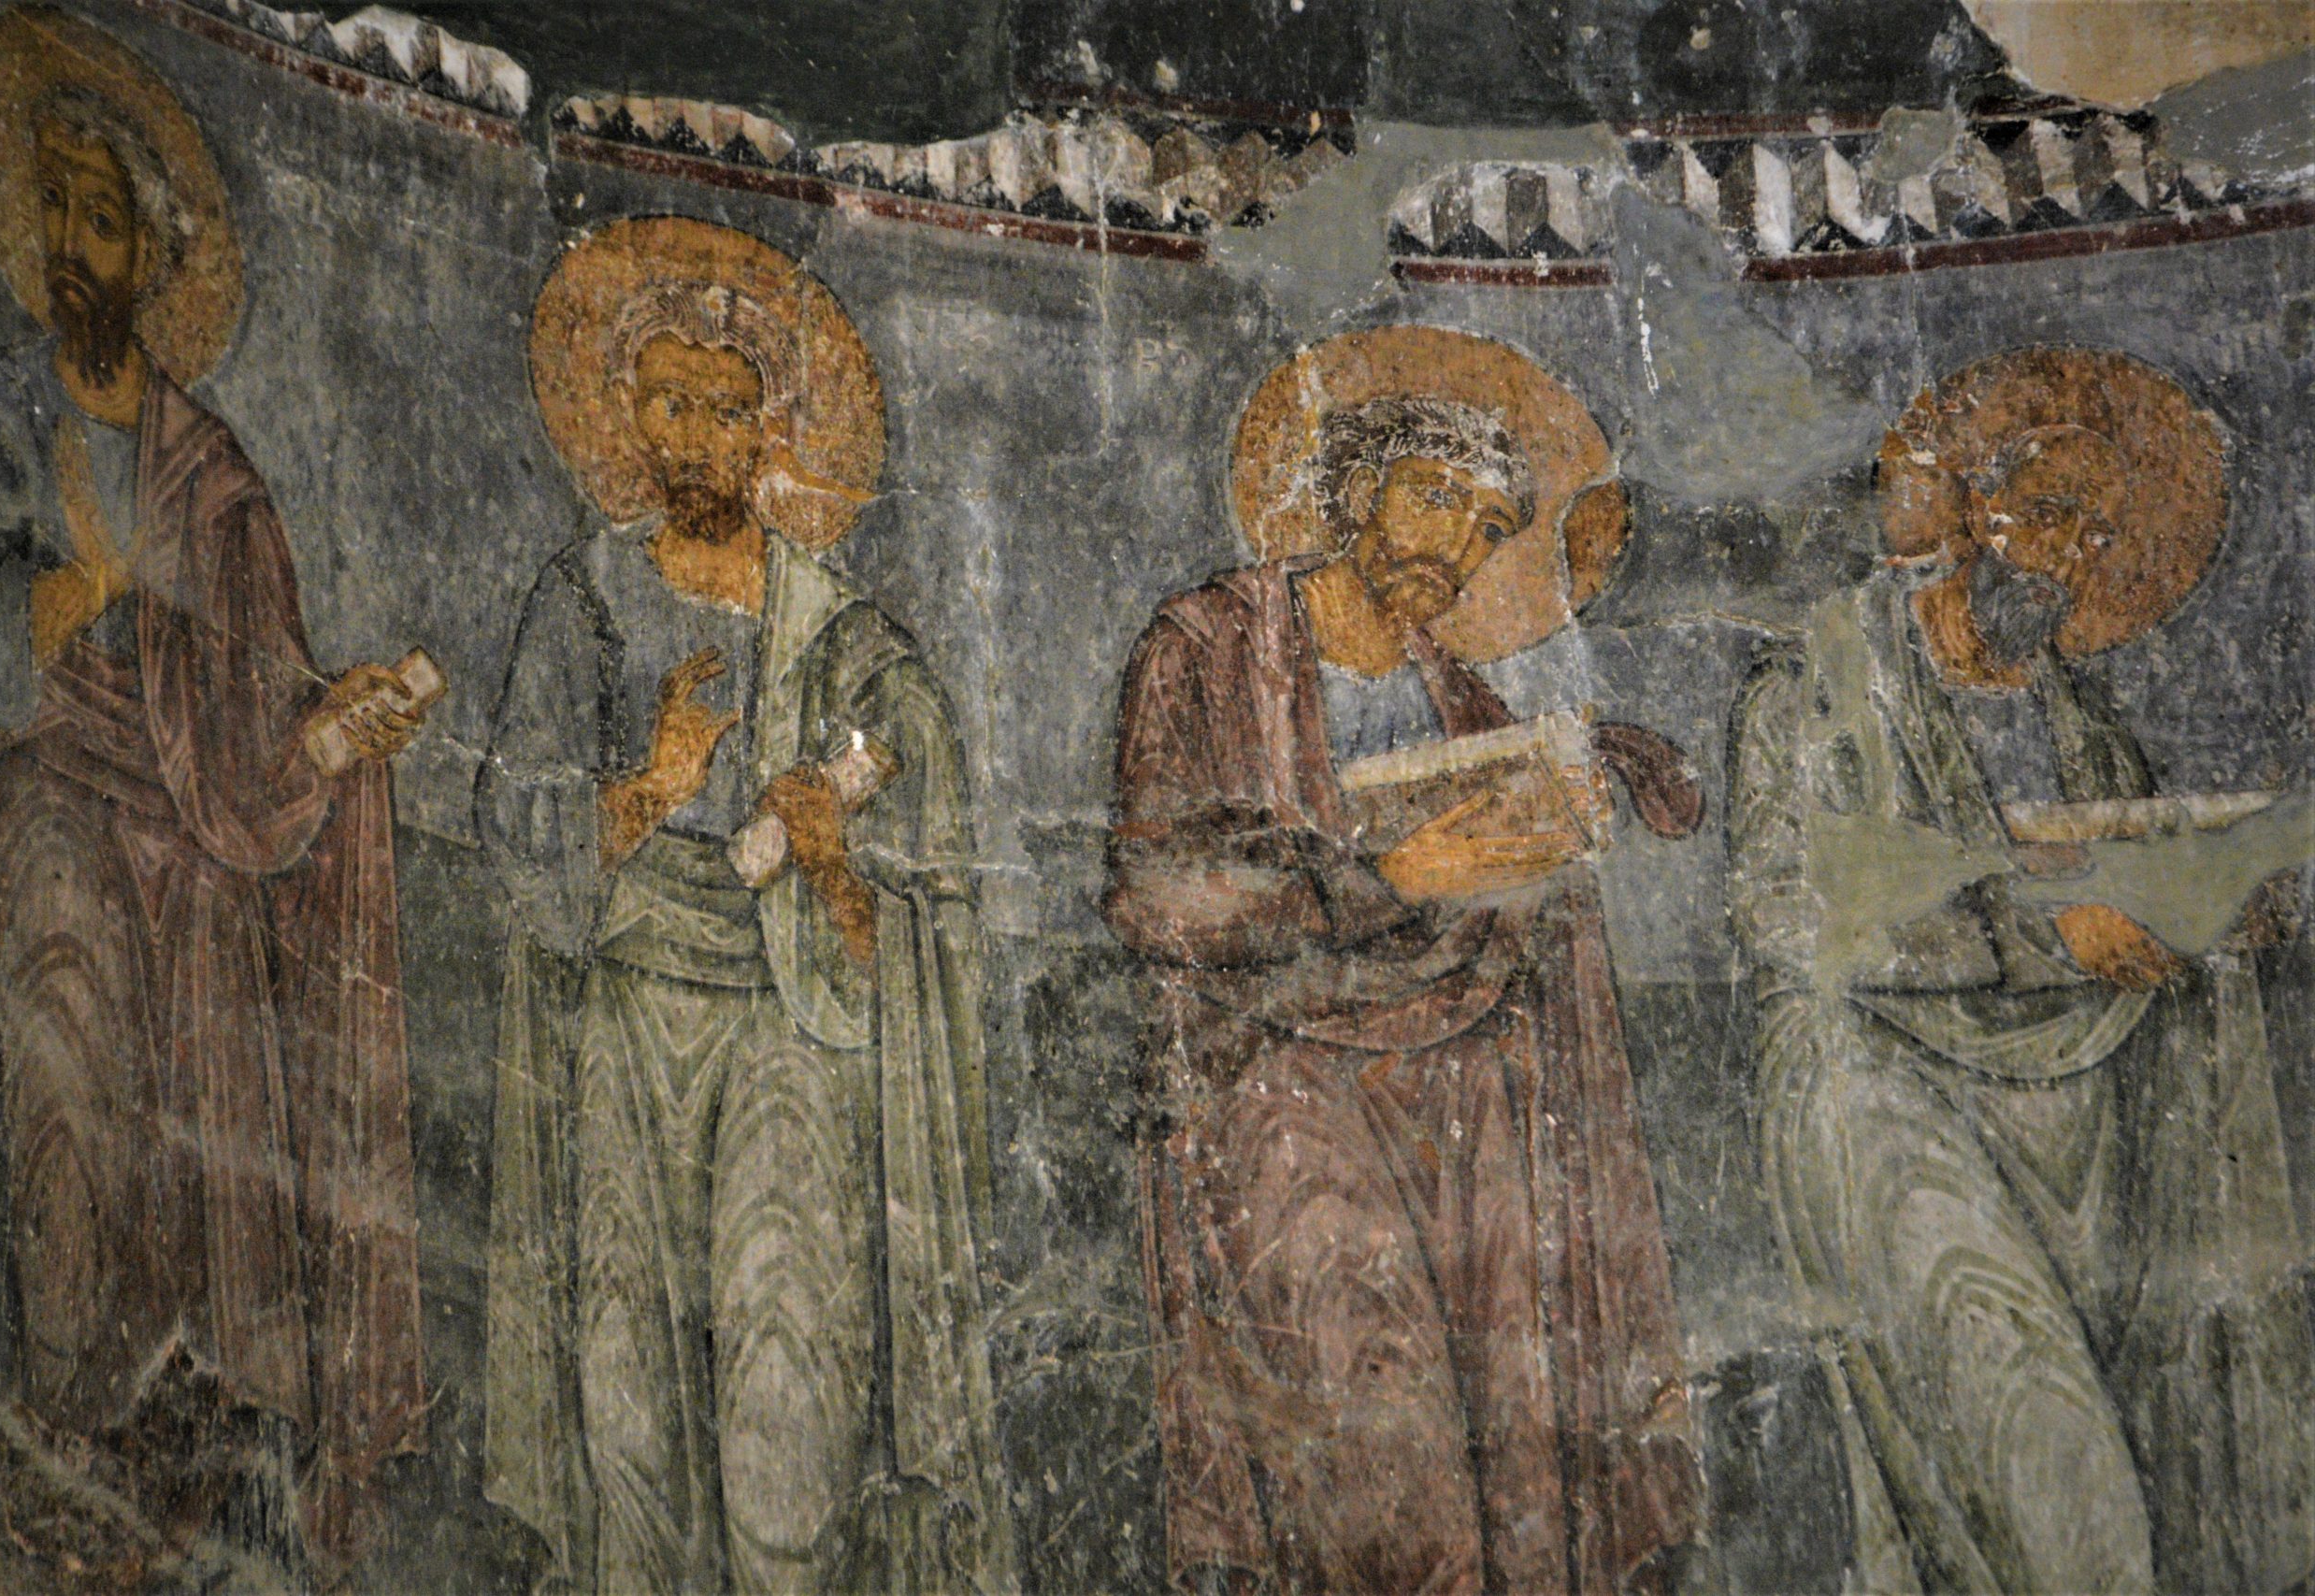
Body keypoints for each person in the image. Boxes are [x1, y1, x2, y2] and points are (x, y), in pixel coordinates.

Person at [0, 12, 428, 1569]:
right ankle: (72, 1455)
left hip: (198, 847)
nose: (72, 244)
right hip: (59, 820)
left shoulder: (214, 480)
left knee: (206, 1141)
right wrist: (72, 601)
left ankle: (196, 1472)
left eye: (102, 216)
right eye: (55, 206)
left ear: (154, 255)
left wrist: (333, 731)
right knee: (71, 1123)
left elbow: (258, 709)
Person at [481, 220, 1014, 1595]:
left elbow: (922, 929)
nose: (696, 441)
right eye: (670, 405)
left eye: (726, 413)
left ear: (774, 431)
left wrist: (830, 857)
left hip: (789, 1027)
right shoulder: (582, 602)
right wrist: (654, 788)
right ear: (626, 415)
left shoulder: (850, 641)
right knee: (625, 1363)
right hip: (630, 1011)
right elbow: (518, 839)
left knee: (788, 1368)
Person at [1727, 348, 2315, 1593]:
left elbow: (2132, 893)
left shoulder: (2082, 725)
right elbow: (1792, 911)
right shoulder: (1814, 689)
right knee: (2057, 1480)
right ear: (1964, 516)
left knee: (2116, 1462)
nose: (2069, 560)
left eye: (2096, 536)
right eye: (2046, 517)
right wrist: (2051, 936)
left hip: (2081, 1130)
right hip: (1885, 1107)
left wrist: (2211, 919)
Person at [1104, 384, 1704, 1594]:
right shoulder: (1209, 647)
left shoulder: (1470, 707)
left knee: (1498, 1445)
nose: (1455, 545)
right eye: (1433, 496)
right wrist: (1384, 876)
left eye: (1487, 527)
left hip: (1467, 1112)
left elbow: (1526, 930)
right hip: (1276, 1097)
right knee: (1378, 1444)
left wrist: (1561, 824)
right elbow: (1160, 893)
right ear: (1354, 490)